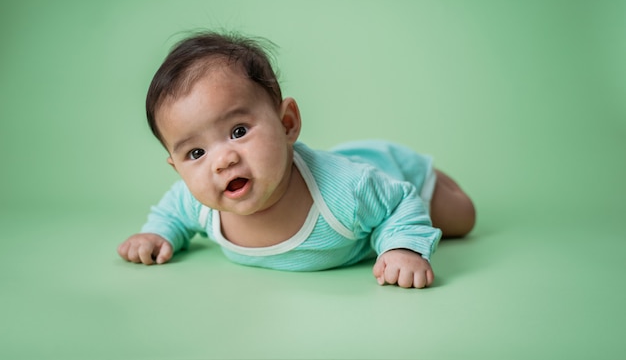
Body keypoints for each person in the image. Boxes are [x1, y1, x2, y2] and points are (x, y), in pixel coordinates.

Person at [117, 31, 476, 288]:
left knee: (462, 218)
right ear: (177, 168)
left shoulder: (347, 191)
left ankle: (433, 176)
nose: (222, 160)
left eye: (239, 131)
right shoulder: (199, 204)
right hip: (363, 179)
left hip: (390, 173)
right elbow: (171, 214)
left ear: (287, 123)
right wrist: (155, 234)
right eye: (196, 153)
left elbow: (399, 201)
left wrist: (401, 248)